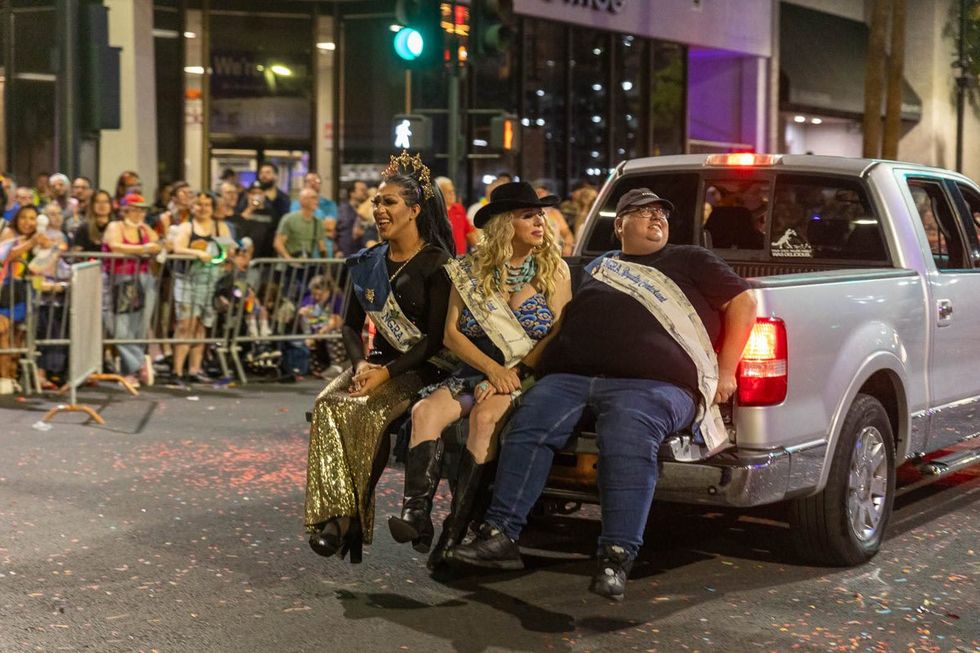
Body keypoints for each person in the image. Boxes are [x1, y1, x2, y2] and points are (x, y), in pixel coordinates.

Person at [449, 188, 758, 601]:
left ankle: (616, 556)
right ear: (619, 225)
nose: (656, 218)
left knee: (625, 437)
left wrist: (725, 370)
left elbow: (744, 301)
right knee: (529, 422)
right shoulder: (600, 266)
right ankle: (500, 536)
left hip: (655, 385)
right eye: (643, 212)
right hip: (575, 377)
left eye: (661, 212)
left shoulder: (690, 259)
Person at [388, 181, 572, 569]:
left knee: (485, 418)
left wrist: (510, 374)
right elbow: (452, 334)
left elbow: (558, 334)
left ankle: (457, 529)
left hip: (526, 373)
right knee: (425, 412)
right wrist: (490, 369)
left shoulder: (554, 270)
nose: (540, 221)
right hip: (476, 370)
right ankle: (416, 517)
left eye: (540, 214)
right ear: (506, 223)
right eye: (528, 215)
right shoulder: (471, 269)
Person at [304, 151, 456, 564]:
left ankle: (346, 520)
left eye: (388, 202)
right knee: (326, 406)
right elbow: (350, 327)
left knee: (367, 412)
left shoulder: (438, 265)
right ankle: (336, 515)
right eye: (376, 202)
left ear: (414, 210)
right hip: (373, 364)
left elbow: (436, 341)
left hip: (421, 368)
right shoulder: (368, 261)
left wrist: (385, 373)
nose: (379, 209)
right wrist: (360, 365)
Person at [170, 192, 233, 386]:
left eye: (207, 204)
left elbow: (228, 250)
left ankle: (194, 369)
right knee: (185, 325)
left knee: (200, 326)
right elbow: (177, 248)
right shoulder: (186, 227)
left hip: (210, 281)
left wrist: (222, 256)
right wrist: (197, 252)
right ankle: (177, 371)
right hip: (188, 280)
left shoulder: (220, 226)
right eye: (199, 204)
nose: (203, 208)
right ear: (192, 207)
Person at [102, 193, 162, 387]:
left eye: (141, 210)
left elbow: (157, 245)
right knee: (119, 326)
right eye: (135, 209)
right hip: (119, 279)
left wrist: (151, 245)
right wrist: (143, 249)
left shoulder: (144, 229)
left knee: (138, 327)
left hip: (143, 279)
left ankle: (131, 372)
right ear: (125, 210)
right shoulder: (115, 226)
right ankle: (139, 361)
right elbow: (115, 246)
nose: (138, 213)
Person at [275, 188, 328, 259]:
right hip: (289, 265)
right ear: (302, 200)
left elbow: (322, 247)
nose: (316, 201)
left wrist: (326, 266)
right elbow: (278, 243)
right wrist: (288, 258)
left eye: (317, 198)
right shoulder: (289, 219)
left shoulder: (318, 222)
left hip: (306, 263)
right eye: (313, 198)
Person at [229, 181, 277, 259]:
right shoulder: (240, 210)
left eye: (259, 193)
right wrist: (250, 208)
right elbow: (237, 227)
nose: (256, 196)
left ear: (264, 194)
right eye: (253, 193)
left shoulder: (272, 213)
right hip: (243, 257)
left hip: (264, 259)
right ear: (248, 195)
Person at [436, 176, 478, 256]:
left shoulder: (459, 208)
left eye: (452, 190)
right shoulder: (435, 211)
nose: (452, 193)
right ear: (439, 194)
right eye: (448, 192)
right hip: (443, 257)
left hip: (461, 258)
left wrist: (481, 248)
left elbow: (469, 232)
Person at [533, 179, 575, 256]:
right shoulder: (529, 214)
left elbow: (567, 233)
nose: (540, 194)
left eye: (543, 192)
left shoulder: (554, 213)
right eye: (538, 192)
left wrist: (567, 247)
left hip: (553, 254)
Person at [336, 179, 369, 257]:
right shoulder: (342, 210)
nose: (365, 192)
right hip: (344, 257)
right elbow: (335, 232)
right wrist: (337, 250)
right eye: (362, 190)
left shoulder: (368, 211)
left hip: (361, 257)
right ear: (352, 193)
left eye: (366, 190)